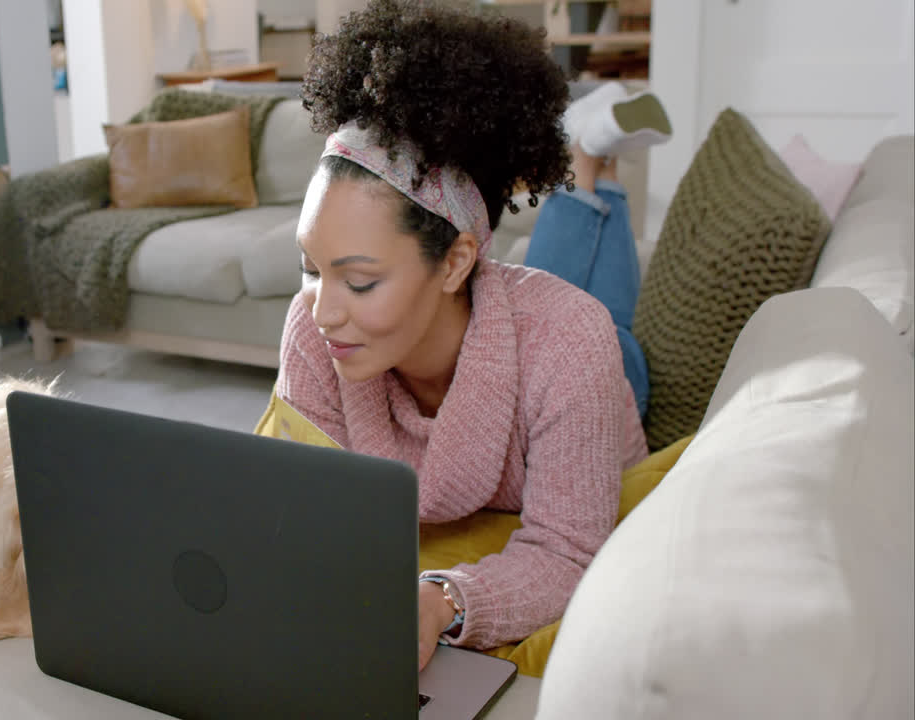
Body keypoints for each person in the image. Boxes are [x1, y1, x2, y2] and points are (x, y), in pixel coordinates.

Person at [273, 0, 671, 671]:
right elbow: (302, 515)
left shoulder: (570, 342)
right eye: (311, 267)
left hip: (603, 376)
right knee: (546, 286)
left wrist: (442, 600)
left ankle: (591, 160)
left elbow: (569, 551)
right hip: (494, 312)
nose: (323, 312)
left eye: (360, 281)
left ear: (455, 261)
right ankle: (588, 160)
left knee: (600, 312)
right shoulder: (312, 327)